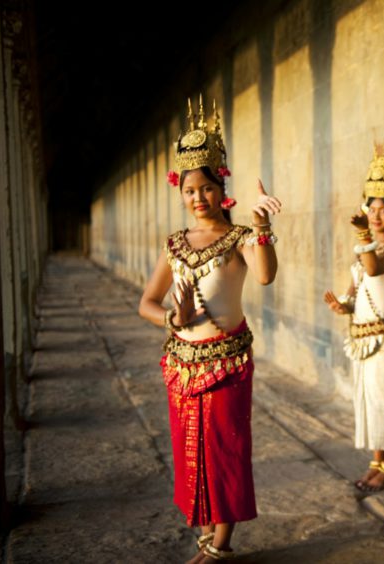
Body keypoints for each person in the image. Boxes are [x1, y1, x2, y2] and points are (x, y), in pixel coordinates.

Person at [138, 97, 282, 563]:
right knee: (191, 451)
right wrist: (172, 320)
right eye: (189, 190)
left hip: (228, 364)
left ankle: (221, 546)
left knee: (225, 451)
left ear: (223, 188)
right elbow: (146, 303)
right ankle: (206, 537)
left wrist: (261, 228)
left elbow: (264, 276)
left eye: (206, 188)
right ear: (180, 193)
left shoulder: (239, 238)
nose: (198, 198)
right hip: (182, 364)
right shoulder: (175, 244)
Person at [324, 143, 384, 492]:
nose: (376, 216)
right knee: (369, 401)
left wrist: (363, 236)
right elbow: (357, 288)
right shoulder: (366, 251)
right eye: (372, 209)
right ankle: (376, 461)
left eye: (383, 211)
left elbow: (373, 269)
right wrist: (343, 307)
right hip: (362, 339)